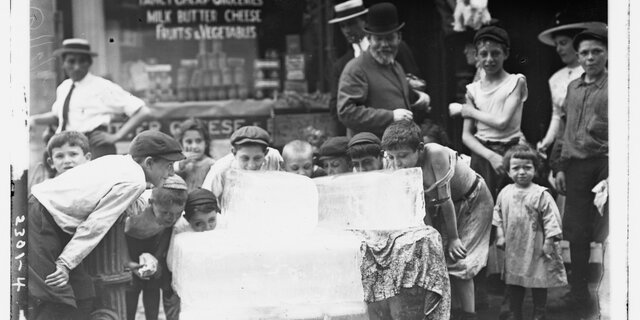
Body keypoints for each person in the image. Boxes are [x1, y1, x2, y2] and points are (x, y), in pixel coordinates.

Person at [27, 130, 185, 320]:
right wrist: (65, 263)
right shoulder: (134, 180)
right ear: (149, 163)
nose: (172, 173)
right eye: (168, 166)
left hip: (49, 217)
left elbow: (128, 207)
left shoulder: (121, 162)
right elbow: (97, 223)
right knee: (56, 298)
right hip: (41, 218)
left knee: (83, 295)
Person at [382, 120, 494, 320]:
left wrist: (453, 238)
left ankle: (470, 315)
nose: (397, 163)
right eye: (392, 156)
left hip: (473, 200)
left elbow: (446, 199)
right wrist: (431, 237)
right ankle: (449, 312)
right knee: (438, 257)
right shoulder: (394, 163)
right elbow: (419, 205)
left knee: (460, 260)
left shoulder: (436, 154)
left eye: (403, 156)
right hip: (443, 208)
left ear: (420, 149)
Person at [551, 27, 608, 316]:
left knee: (609, 229)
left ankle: (610, 292)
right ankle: (579, 294)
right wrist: (560, 165)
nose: (590, 57)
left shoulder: (616, 85)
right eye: (584, 52)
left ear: (607, 53)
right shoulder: (573, 87)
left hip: (605, 165)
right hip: (576, 167)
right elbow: (565, 129)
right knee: (577, 230)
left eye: (596, 51)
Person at [29, 38, 151, 158]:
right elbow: (59, 116)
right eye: (71, 61)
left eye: (82, 61)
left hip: (94, 147)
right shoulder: (64, 87)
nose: (77, 67)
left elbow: (143, 111)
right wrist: (33, 120)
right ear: (64, 64)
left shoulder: (102, 86)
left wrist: (117, 136)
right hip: (68, 148)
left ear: (89, 63)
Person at [451, 26, 528, 199]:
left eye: (495, 53)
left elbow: (502, 122)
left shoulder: (516, 82)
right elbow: (466, 136)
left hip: (511, 151)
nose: (489, 59)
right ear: (476, 56)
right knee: (484, 204)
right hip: (483, 154)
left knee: (513, 202)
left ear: (505, 54)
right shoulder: (473, 90)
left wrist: (469, 111)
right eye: (484, 54)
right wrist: (491, 156)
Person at [493, 144, 567, 320]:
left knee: (538, 279)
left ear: (535, 169)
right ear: (508, 172)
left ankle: (539, 313)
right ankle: (515, 312)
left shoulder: (541, 194)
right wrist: (501, 235)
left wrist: (549, 242)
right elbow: (498, 214)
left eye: (527, 167)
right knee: (515, 282)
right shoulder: (505, 193)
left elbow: (552, 219)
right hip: (515, 247)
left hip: (536, 246)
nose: (521, 172)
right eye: (516, 168)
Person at [337, 2, 430, 138]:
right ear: (369, 39)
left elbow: (392, 97)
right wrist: (390, 116)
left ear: (399, 38)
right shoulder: (356, 68)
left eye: (390, 38)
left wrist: (417, 98)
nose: (385, 45)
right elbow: (347, 112)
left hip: (397, 149)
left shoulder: (396, 66)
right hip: (371, 153)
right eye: (378, 39)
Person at [536, 16, 607, 153]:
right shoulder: (555, 78)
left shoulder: (594, 72)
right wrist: (546, 141)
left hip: (593, 143)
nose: (558, 49)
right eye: (556, 44)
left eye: (563, 43)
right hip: (566, 141)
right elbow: (557, 115)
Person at [124, 175, 188, 320]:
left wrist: (158, 258)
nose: (171, 218)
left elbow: (166, 232)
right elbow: (118, 236)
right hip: (130, 246)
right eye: (165, 213)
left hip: (153, 245)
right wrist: (127, 262)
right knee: (131, 288)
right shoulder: (135, 212)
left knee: (153, 286)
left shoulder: (170, 217)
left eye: (177, 214)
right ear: (151, 203)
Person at [201, 126, 283, 199]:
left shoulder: (274, 158)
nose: (251, 165)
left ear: (266, 153)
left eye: (257, 158)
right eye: (245, 158)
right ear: (234, 152)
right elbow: (205, 200)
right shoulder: (221, 169)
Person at [174, 118, 216, 191]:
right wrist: (182, 163)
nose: (194, 146)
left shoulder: (212, 165)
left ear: (206, 143)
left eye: (198, 141)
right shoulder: (180, 165)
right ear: (181, 144)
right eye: (189, 142)